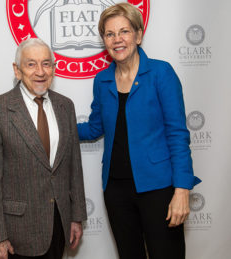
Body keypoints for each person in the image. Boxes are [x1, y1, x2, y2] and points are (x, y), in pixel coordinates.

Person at [77, 3, 201, 259]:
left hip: (159, 189)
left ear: (138, 34)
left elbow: (177, 135)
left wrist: (182, 190)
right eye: (110, 34)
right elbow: (95, 127)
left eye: (124, 31)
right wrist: (53, 126)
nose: (117, 39)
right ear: (104, 41)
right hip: (116, 190)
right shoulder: (101, 80)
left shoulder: (161, 73)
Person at [0, 38, 87, 259]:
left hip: (58, 225)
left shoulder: (66, 106)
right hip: (16, 233)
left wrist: (76, 216)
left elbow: (74, 167)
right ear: (17, 70)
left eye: (46, 64)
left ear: (54, 69)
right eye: (31, 64)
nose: (40, 71)